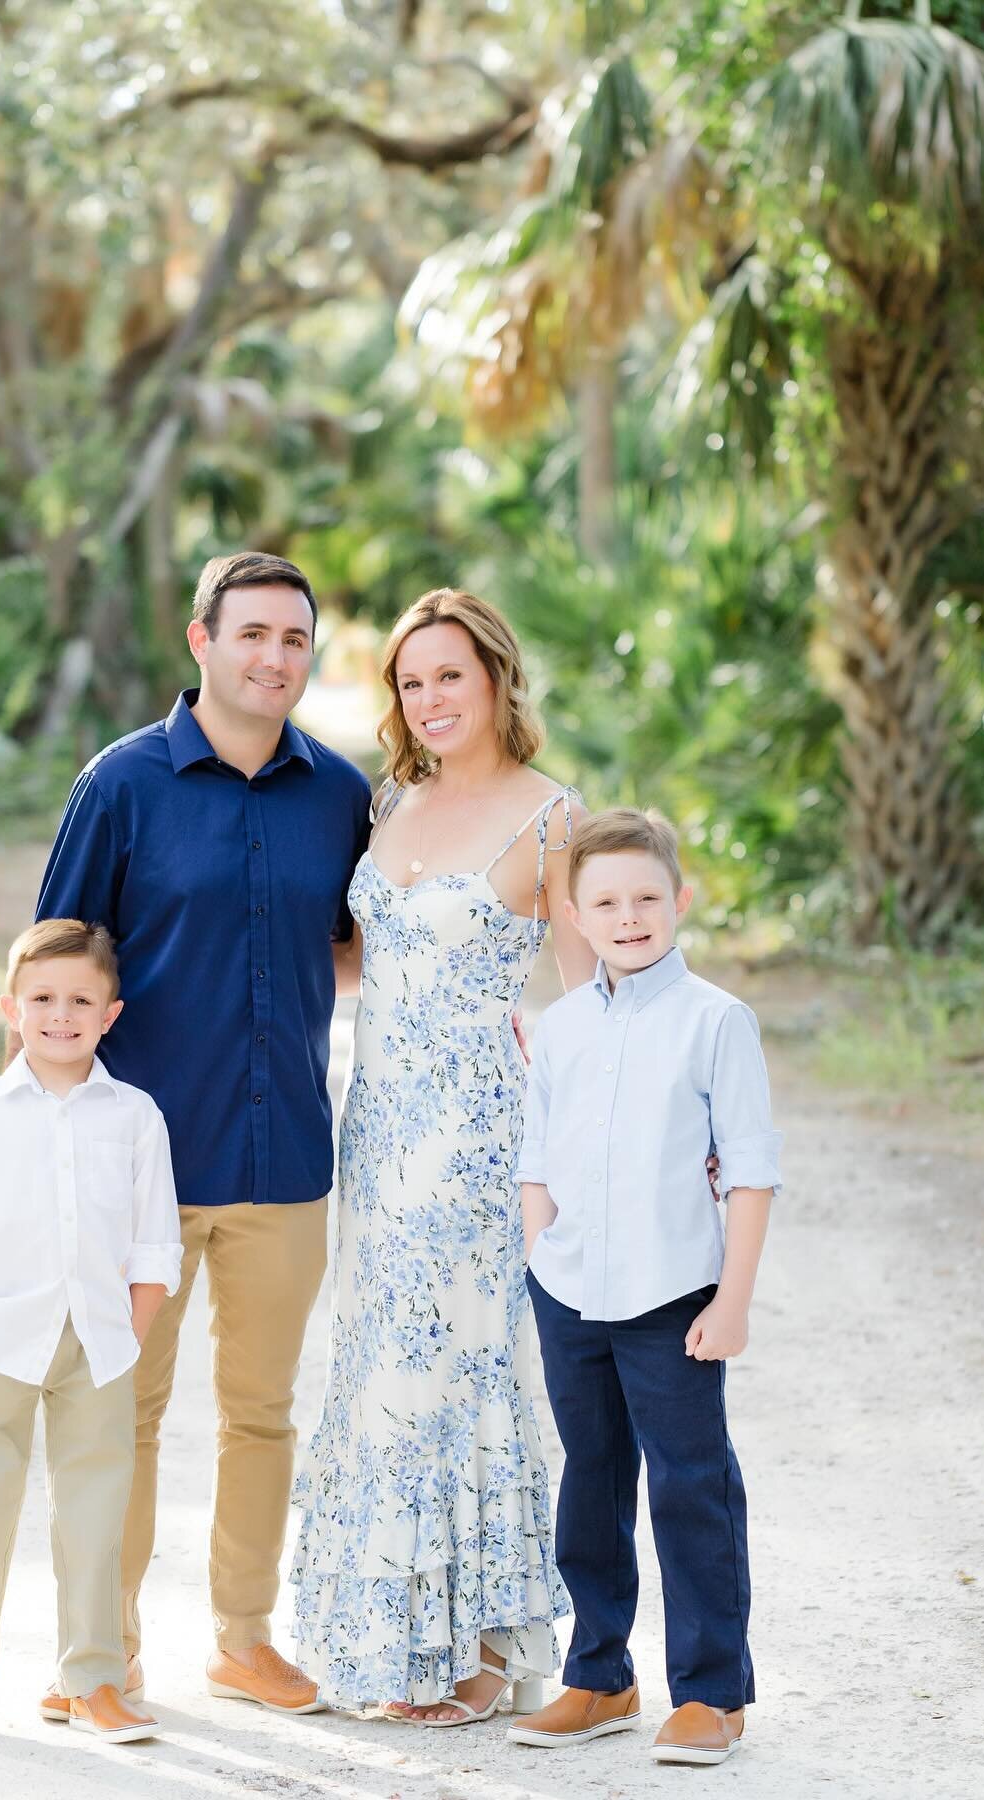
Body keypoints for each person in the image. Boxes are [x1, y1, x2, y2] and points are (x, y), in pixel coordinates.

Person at [34, 551, 372, 1717]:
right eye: (254, 635)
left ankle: (241, 1637)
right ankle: (100, 1651)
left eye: (295, 639)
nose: (276, 658)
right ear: (201, 641)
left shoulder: (340, 794)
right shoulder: (119, 786)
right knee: (117, 1411)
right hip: (142, 1168)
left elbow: (364, 942)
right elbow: (56, 969)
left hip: (285, 1163)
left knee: (262, 1413)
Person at [290, 587, 594, 1725]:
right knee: (378, 1371)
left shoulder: (551, 817)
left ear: (497, 681)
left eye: (448, 676)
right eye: (411, 683)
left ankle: (472, 1651)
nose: (429, 699)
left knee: (463, 1373)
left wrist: (584, 1152)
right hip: (378, 1130)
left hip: (478, 1139)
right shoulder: (388, 803)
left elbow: (578, 996)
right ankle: (383, 1637)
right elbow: (372, 964)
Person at [508, 807, 781, 1767]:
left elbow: (749, 1171)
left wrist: (731, 1301)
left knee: (690, 1485)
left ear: (681, 900)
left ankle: (712, 1693)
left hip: (674, 1294)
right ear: (575, 915)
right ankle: (600, 1675)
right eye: (607, 902)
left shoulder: (716, 1021)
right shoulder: (567, 1026)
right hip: (571, 1292)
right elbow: (538, 1154)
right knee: (590, 1483)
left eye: (647, 898)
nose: (629, 917)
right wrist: (546, 1257)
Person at [0, 919, 181, 1745]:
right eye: (44, 999)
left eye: (81, 999)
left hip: (101, 1342)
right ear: (13, 1011)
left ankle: (92, 1680)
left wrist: (131, 1328)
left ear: (111, 1014)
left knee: (94, 1517)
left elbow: (156, 1239)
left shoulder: (135, 1116)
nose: (62, 1014)